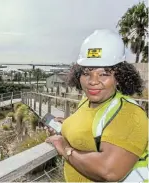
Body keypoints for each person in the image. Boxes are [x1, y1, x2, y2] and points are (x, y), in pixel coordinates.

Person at [46, 29, 148, 182]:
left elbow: (109, 171)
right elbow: (92, 126)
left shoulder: (131, 114)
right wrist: (67, 124)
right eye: (87, 73)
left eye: (104, 73)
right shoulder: (87, 100)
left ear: (119, 78)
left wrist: (65, 148)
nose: (92, 81)